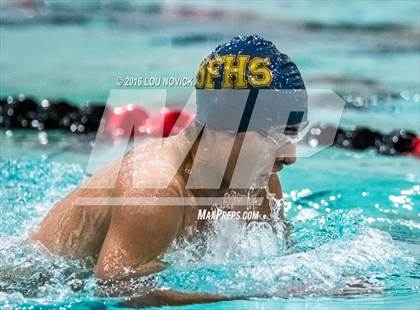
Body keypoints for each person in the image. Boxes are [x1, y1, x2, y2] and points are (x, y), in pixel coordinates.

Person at [30, 35, 307, 286]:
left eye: (294, 134)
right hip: (32, 281)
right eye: (273, 136)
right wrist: (258, 295)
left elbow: (286, 263)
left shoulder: (260, 187)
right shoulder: (154, 188)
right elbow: (118, 287)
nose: (289, 156)